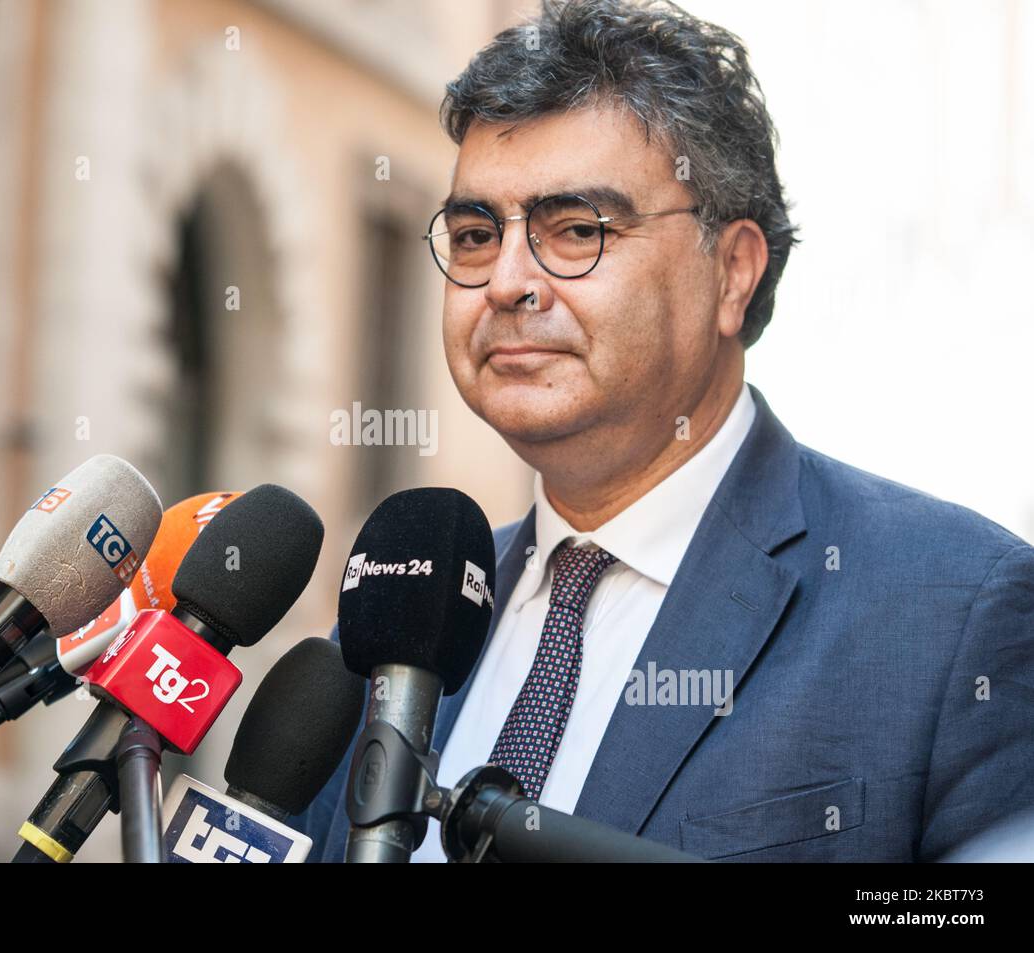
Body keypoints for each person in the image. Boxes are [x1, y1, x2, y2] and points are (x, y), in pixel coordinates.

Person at [300, 0, 1034, 862]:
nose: (506, 282)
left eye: (575, 230)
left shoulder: (952, 614)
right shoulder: (398, 622)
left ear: (732, 272)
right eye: (473, 234)